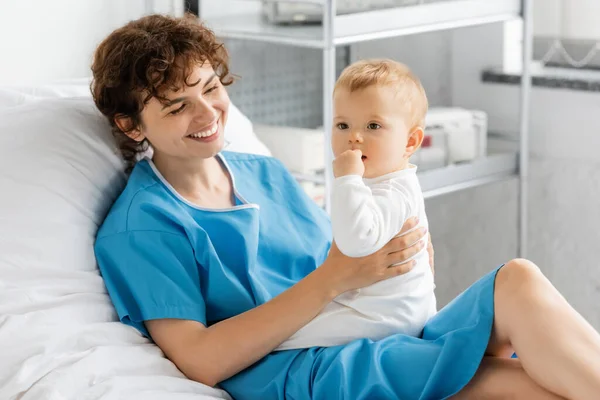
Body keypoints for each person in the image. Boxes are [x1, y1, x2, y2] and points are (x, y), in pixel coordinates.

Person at [92, 14, 600, 400]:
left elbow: (349, 251)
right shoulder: (144, 226)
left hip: (367, 328)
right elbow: (199, 360)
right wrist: (338, 277)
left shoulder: (261, 172)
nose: (207, 113)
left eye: (210, 89)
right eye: (177, 106)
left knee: (518, 279)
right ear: (132, 125)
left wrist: (395, 263)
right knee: (527, 385)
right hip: (303, 367)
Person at [278, 60, 436, 351]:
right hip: (381, 307)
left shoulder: (394, 190)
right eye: (343, 125)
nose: (354, 136)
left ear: (410, 142)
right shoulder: (380, 181)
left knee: (280, 340)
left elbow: (355, 243)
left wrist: (347, 178)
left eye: (373, 125)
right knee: (291, 324)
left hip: (384, 317)